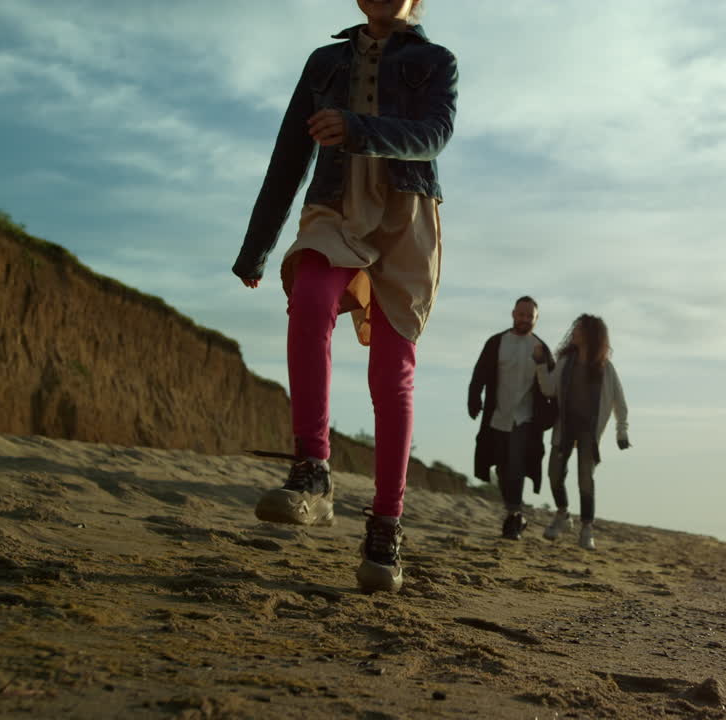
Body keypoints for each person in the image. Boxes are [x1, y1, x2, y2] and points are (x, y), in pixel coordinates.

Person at [230, 0, 456, 593]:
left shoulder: (437, 61)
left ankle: (385, 526)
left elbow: (434, 136)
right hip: (336, 207)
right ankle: (313, 470)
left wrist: (357, 129)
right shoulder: (324, 62)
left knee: (392, 371)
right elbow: (289, 155)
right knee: (310, 299)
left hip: (407, 216)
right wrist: (258, 247)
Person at [534, 314, 629, 550]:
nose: (574, 332)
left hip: (590, 432)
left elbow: (619, 401)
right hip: (565, 427)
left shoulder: (605, 368)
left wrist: (622, 431)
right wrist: (540, 364)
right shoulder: (566, 362)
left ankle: (587, 528)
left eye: (578, 328)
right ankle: (563, 514)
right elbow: (548, 389)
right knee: (554, 474)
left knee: (585, 480)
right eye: (575, 328)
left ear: (591, 335)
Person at [467, 297, 555, 540]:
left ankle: (514, 516)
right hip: (497, 415)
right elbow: (479, 373)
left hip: (524, 419)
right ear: (513, 314)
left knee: (516, 465)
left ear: (536, 319)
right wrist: (474, 398)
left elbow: (552, 387)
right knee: (501, 466)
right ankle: (514, 514)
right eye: (521, 314)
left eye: (530, 316)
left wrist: (550, 418)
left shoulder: (540, 348)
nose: (525, 319)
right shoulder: (496, 342)